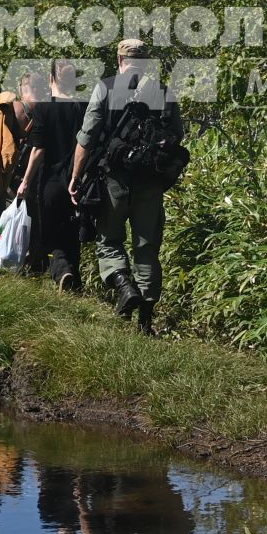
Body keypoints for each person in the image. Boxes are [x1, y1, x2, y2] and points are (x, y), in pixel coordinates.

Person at [67, 38, 185, 333]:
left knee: (109, 241)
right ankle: (145, 323)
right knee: (147, 248)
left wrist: (75, 176)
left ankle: (123, 287)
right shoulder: (163, 92)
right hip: (150, 184)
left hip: (113, 181)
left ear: (119, 60)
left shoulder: (106, 87)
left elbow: (87, 136)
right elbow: (177, 136)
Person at [16, 57, 87, 292]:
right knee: (72, 232)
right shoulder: (82, 107)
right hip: (78, 182)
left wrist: (25, 181)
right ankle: (73, 282)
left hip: (51, 183)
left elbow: (38, 150)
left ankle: (62, 271)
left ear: (51, 79)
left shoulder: (45, 107)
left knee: (50, 234)